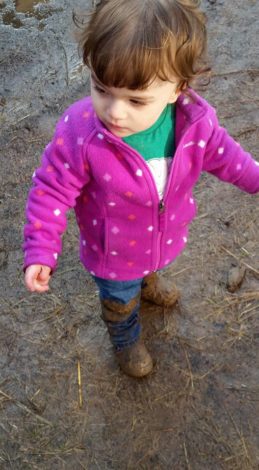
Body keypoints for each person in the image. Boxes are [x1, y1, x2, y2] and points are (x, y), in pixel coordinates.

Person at [23, 0, 259, 378]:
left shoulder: (195, 124)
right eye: (101, 88)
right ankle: (125, 338)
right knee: (119, 300)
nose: (115, 111)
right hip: (112, 255)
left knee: (150, 267)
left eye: (135, 100)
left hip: (163, 238)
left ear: (177, 88)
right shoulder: (81, 132)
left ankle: (149, 281)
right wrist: (40, 248)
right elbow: (50, 190)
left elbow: (228, 158)